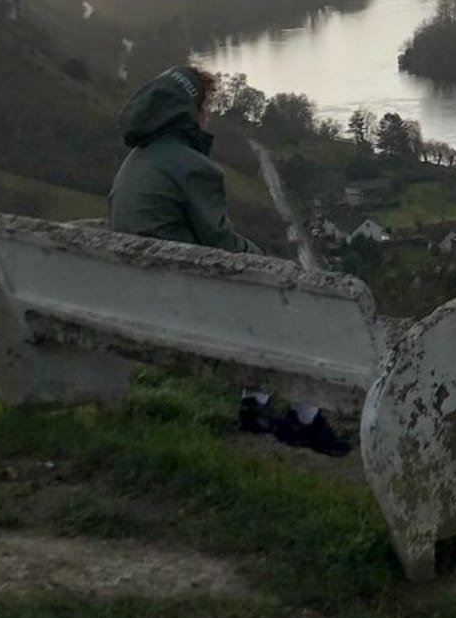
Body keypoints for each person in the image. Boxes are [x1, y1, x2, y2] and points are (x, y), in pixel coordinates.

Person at [108, 64, 351, 456]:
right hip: (181, 304)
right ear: (188, 110)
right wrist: (274, 265)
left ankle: (254, 406)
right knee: (291, 301)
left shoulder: (138, 160)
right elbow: (221, 243)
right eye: (206, 104)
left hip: (139, 297)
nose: (209, 113)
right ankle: (305, 421)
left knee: (258, 298)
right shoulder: (191, 166)